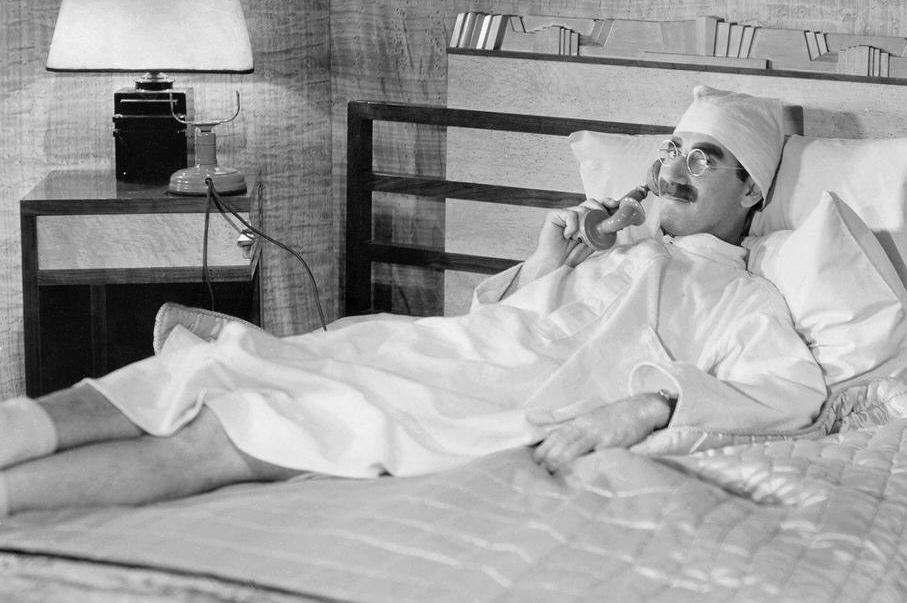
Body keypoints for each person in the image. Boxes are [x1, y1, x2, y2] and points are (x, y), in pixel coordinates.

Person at [0, 86, 827, 516]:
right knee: (184, 380)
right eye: (675, 145)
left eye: (708, 155)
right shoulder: (618, 245)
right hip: (448, 351)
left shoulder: (741, 296)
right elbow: (503, 320)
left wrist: (648, 405)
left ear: (753, 188)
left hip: (494, 398)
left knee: (221, 430)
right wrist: (548, 257)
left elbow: (792, 393)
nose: (677, 163)